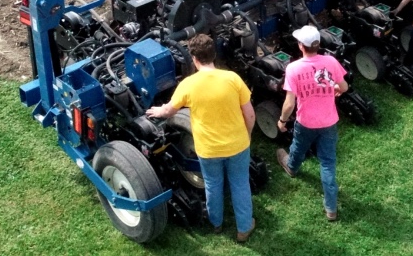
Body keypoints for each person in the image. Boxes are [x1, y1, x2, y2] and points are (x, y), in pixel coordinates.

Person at [145, 34, 257, 242]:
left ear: (194, 59)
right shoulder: (232, 79)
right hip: (237, 144)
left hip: (208, 150)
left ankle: (216, 223)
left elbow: (169, 111)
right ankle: (244, 228)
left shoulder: (188, 84)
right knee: (240, 184)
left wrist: (157, 111)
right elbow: (249, 114)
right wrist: (247, 135)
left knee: (213, 185)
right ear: (213, 55)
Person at [276, 25, 349, 222]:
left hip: (305, 121)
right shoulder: (331, 62)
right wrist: (335, 87)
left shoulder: (293, 68)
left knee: (298, 147)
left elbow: (289, 103)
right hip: (329, 121)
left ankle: (291, 166)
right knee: (327, 163)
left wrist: (282, 121)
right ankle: (331, 209)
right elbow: (344, 86)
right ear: (318, 44)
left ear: (301, 46)